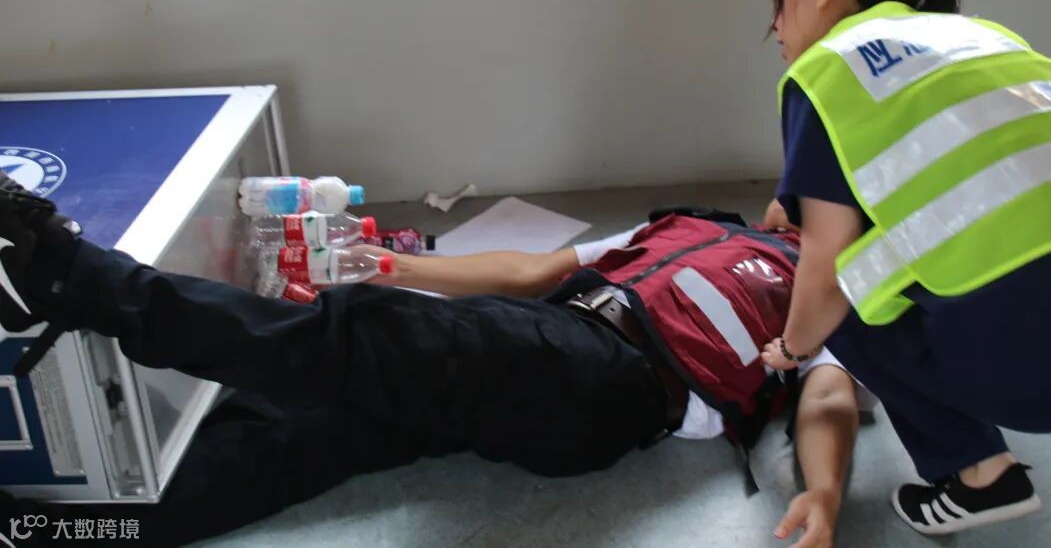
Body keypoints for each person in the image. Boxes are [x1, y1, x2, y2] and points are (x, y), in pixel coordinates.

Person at [0, 171, 870, 548]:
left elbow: (828, 395)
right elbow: (532, 271)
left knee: (356, 339)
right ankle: (59, 532)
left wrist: (825, 493)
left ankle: (63, 273)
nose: (793, 205)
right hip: (553, 345)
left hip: (616, 380)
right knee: (306, 433)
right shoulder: (691, 225)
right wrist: (401, 268)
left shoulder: (832, 295)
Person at [756, 0, 1051, 535]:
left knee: (846, 287)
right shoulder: (980, 36)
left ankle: (981, 474)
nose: (774, 24)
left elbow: (827, 265)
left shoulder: (826, 72)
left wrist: (793, 349)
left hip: (1046, 376)